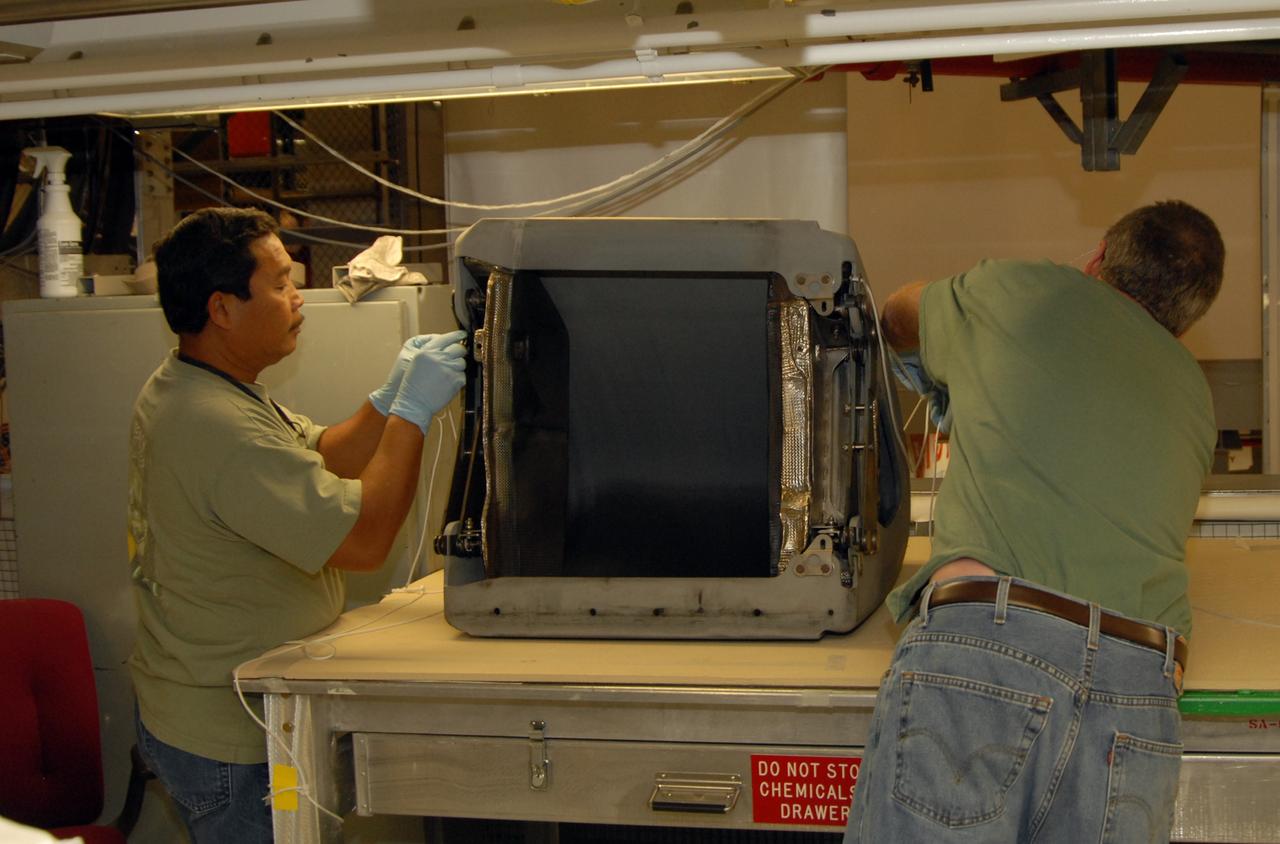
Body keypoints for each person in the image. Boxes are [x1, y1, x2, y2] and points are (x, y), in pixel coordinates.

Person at [845, 200, 1224, 843]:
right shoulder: (1195, 393)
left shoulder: (1019, 290)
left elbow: (896, 316)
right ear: (1185, 321)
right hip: (1142, 689)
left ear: (1100, 257)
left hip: (990, 652)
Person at [126, 207, 466, 842]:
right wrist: (413, 416)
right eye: (280, 283)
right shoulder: (210, 421)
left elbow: (317, 456)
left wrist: (386, 398)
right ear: (222, 307)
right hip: (230, 737)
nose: (297, 298)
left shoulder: (208, 384)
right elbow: (363, 543)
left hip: (235, 706)